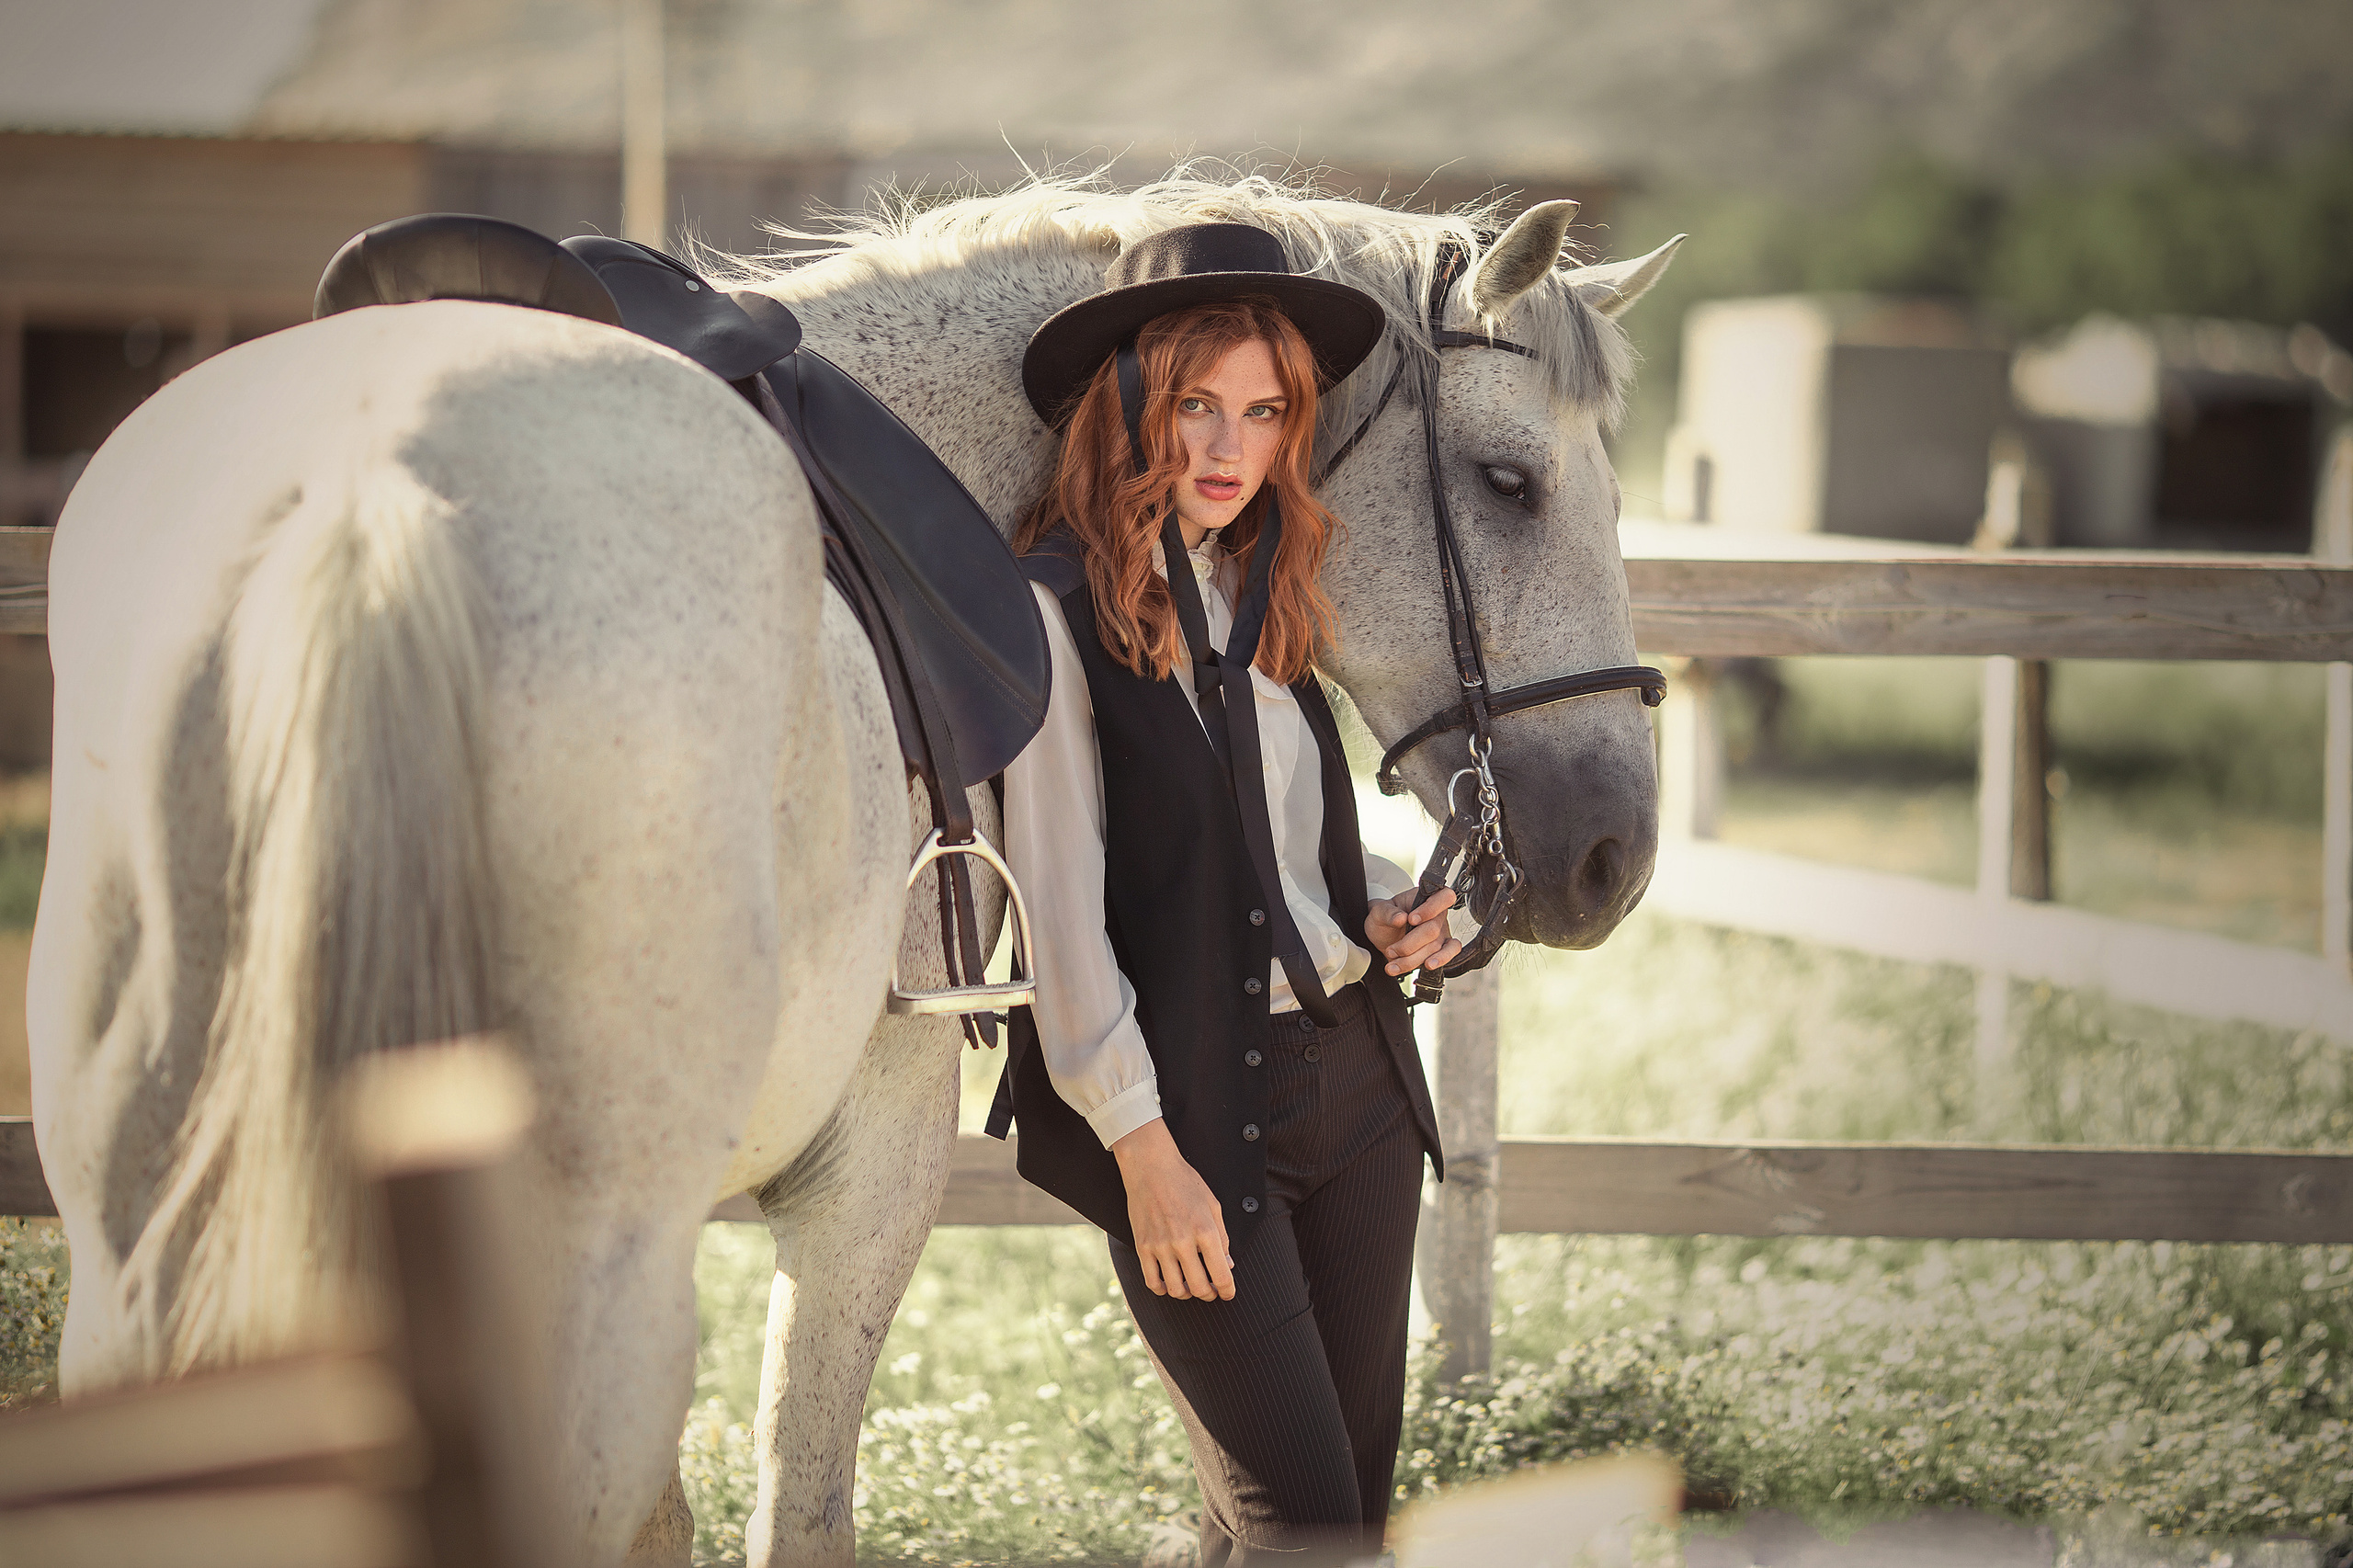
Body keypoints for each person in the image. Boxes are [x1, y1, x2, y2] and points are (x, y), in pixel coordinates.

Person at [991, 222, 1462, 1567]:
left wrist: (1381, 908)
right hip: (1195, 1116)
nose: (1228, 445)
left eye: (1263, 414)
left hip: (1363, 1090)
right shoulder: (1054, 611)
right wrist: (1143, 1152)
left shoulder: (1265, 590)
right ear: (1131, 404)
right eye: (1198, 404)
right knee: (1306, 1531)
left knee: (1336, 1521)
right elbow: (1062, 915)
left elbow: (1274, 851)